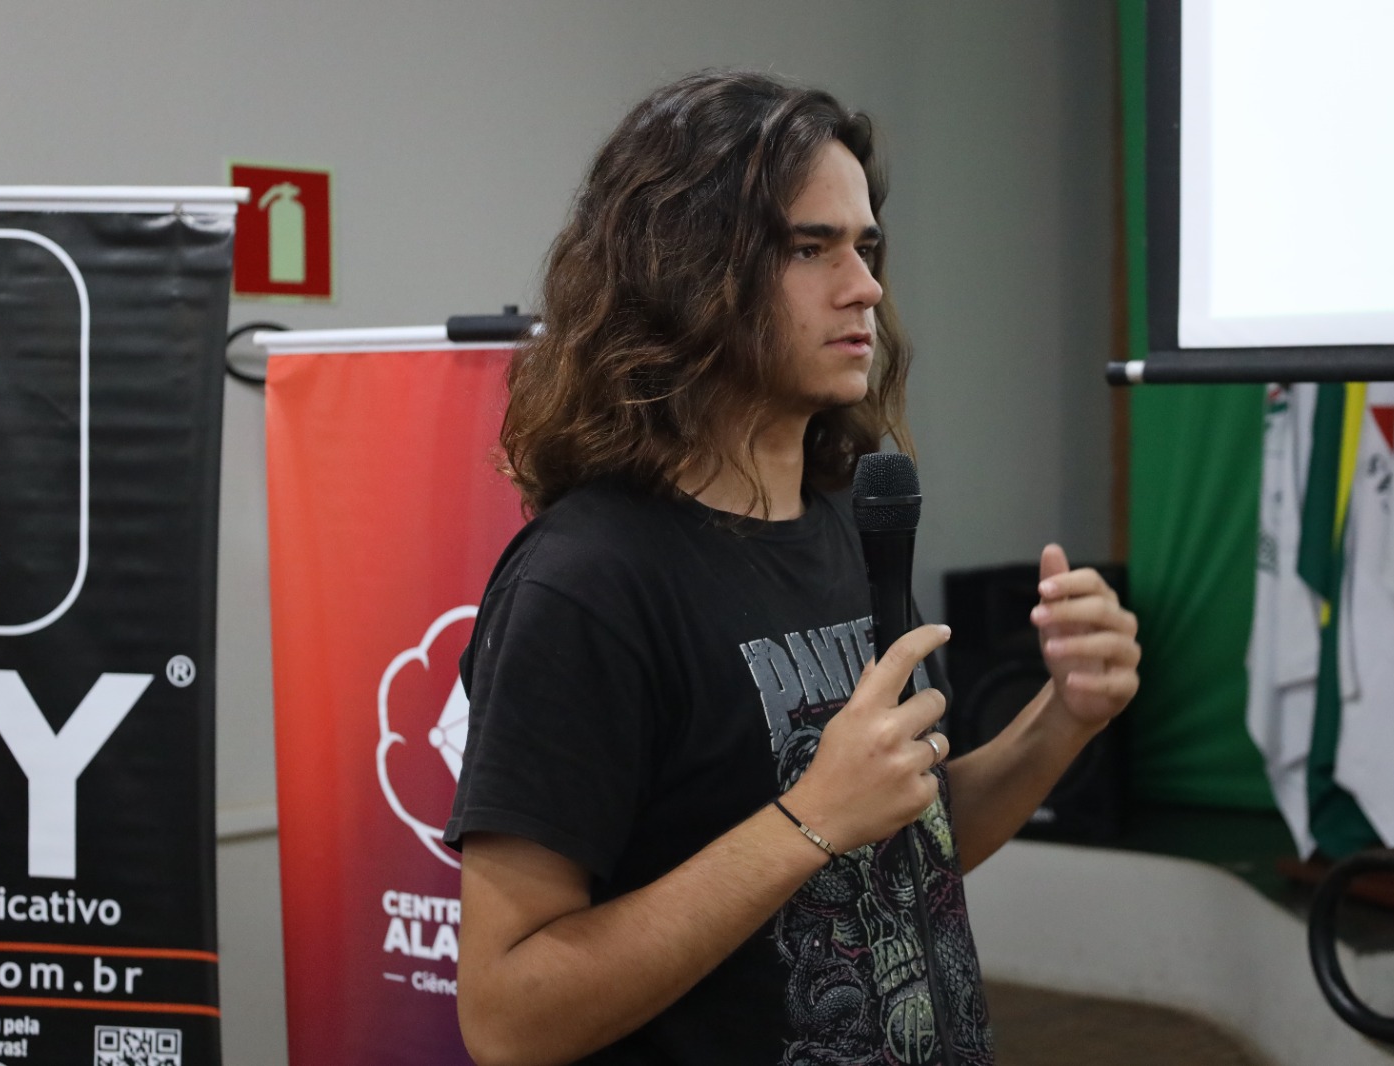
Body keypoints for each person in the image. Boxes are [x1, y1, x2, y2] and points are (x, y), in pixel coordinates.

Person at [445, 69, 1140, 1066]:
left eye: (865, 247)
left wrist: (1063, 715)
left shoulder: (849, 521)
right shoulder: (586, 582)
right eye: (810, 249)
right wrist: (809, 819)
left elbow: (907, 846)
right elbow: (507, 1015)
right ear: (683, 271)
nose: (864, 286)